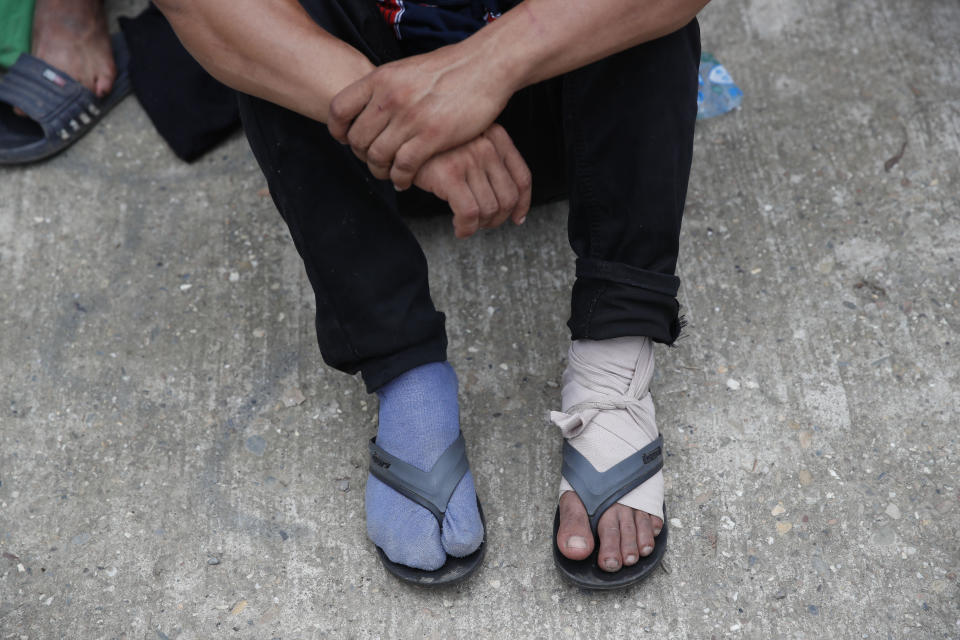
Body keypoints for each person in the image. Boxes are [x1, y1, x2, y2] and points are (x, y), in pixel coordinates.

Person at [153, 0, 706, 589]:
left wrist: (480, 72)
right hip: (363, 129)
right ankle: (408, 379)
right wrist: (397, 111)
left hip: (560, 90)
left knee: (644, 18)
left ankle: (613, 357)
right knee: (271, 32)